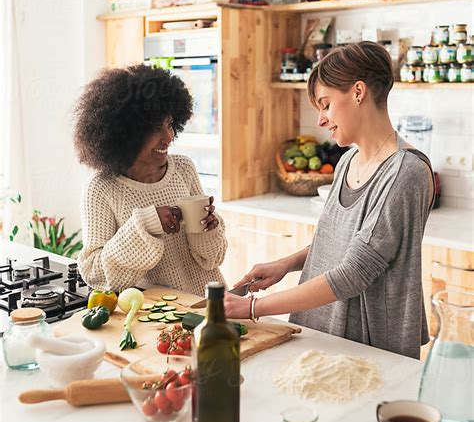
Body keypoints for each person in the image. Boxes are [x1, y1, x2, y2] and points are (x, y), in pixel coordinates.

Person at [225, 42, 435, 359]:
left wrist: (254, 307)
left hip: (366, 346)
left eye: (325, 104)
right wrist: (286, 265)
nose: (321, 119)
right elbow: (340, 242)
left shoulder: (407, 172)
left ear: (358, 92)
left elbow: (355, 272)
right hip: (320, 329)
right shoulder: (348, 162)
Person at [73, 64, 227, 295]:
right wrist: (145, 225)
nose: (169, 137)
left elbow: (212, 259)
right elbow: (95, 274)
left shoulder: (183, 168)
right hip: (157, 317)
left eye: (169, 124)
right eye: (155, 128)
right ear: (127, 133)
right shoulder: (101, 189)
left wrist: (209, 228)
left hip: (211, 303)